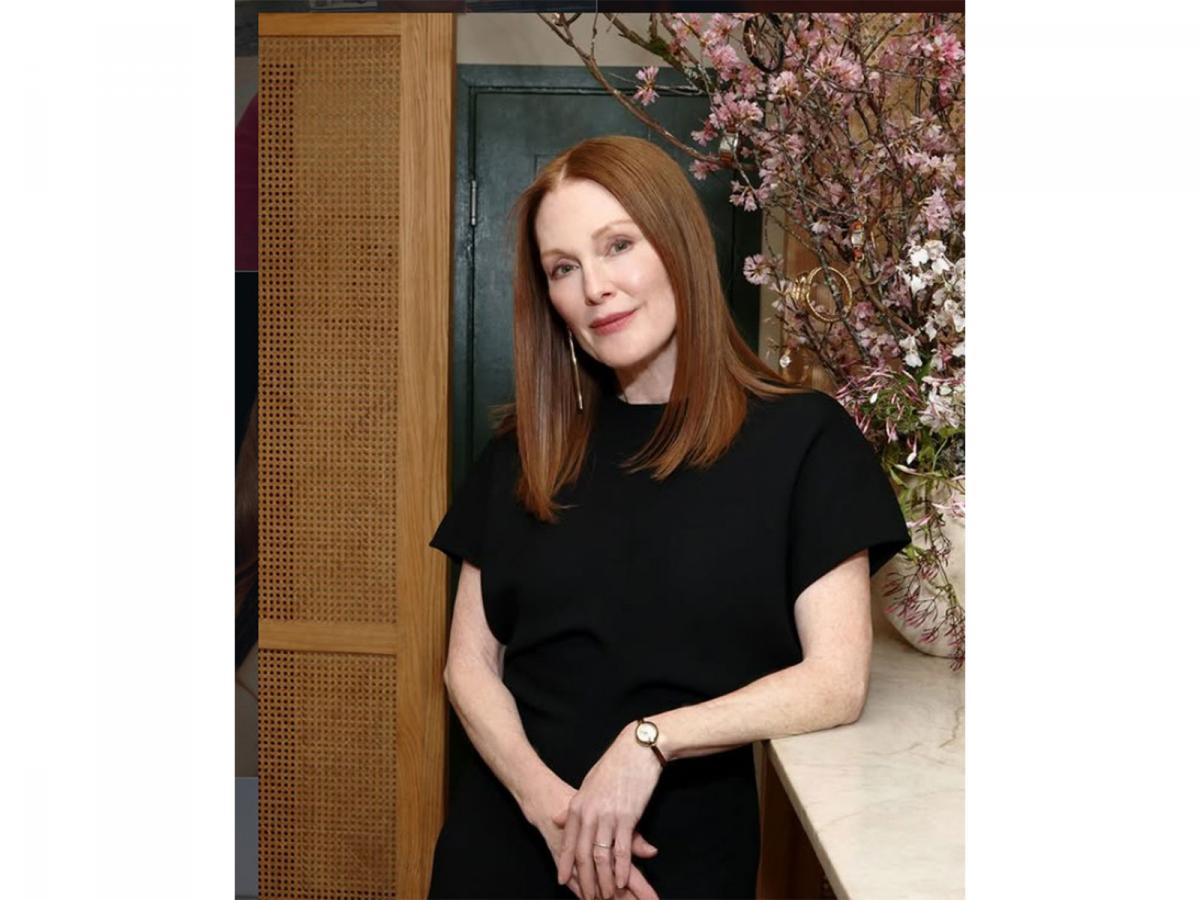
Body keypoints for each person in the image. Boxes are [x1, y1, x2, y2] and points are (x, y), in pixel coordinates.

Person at [427, 135, 911, 900]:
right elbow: (469, 667)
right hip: (511, 841)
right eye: (563, 267)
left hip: (678, 854)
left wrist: (650, 741)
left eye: (617, 245)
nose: (595, 287)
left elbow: (835, 681)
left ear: (677, 242)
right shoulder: (523, 450)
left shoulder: (804, 441)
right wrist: (554, 812)